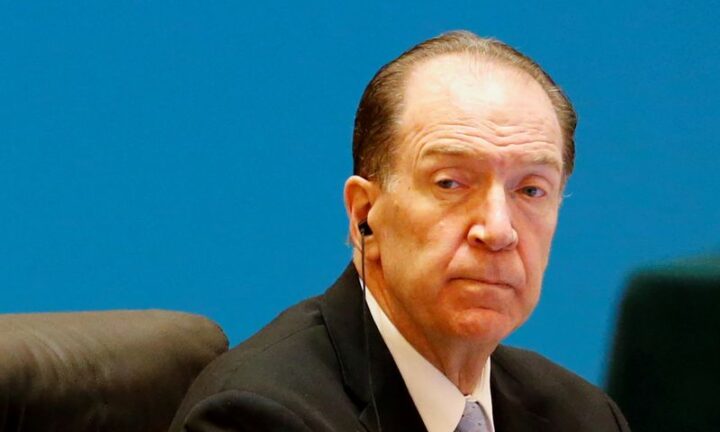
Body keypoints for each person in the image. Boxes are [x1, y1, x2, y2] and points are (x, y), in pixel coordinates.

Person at [170, 31, 630, 432]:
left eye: (530, 190)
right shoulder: (257, 416)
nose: (498, 230)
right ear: (365, 215)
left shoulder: (583, 416)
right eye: (450, 183)